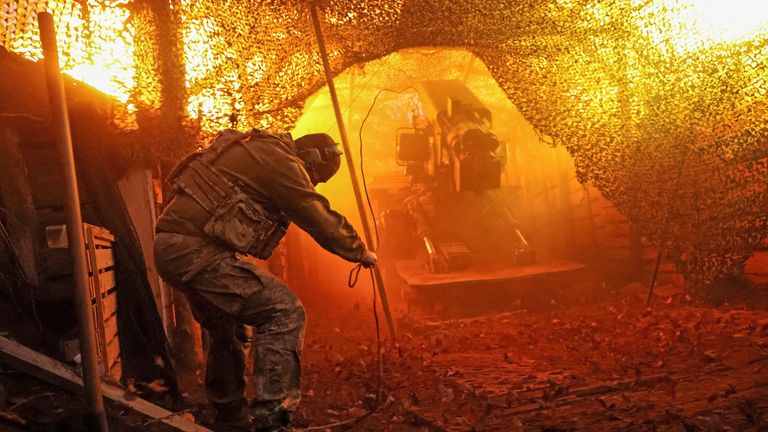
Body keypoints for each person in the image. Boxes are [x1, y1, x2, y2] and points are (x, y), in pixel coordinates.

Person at [153, 129, 377, 431]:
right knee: (283, 311)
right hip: (194, 250)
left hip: (177, 247)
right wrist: (359, 250)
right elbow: (311, 209)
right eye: (316, 176)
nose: (313, 183)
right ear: (310, 159)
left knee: (226, 326)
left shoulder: (260, 152)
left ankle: (229, 418)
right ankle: (272, 420)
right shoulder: (279, 159)